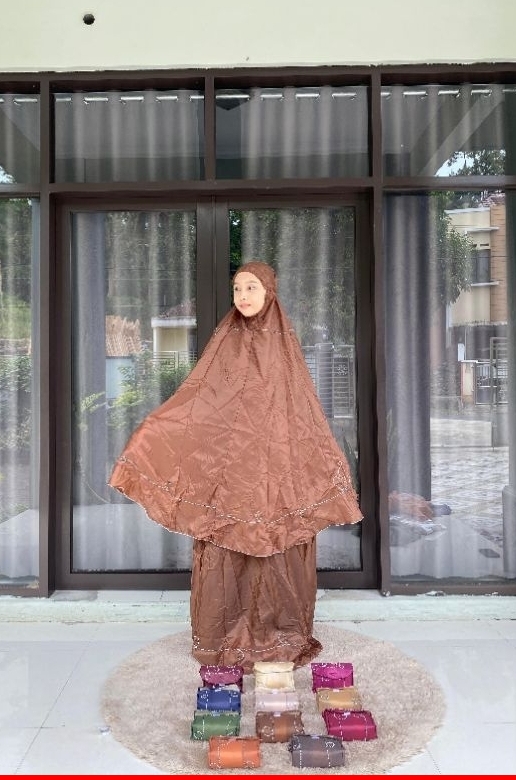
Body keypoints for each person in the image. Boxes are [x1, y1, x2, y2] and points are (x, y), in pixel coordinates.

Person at [109, 261, 363, 672]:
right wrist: (158, 430)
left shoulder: (284, 345)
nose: (242, 296)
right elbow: (202, 399)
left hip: (276, 468)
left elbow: (300, 410)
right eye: (237, 288)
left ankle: (276, 634)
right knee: (225, 543)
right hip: (229, 468)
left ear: (269, 292)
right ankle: (222, 636)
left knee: (274, 546)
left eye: (251, 288)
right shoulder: (225, 340)